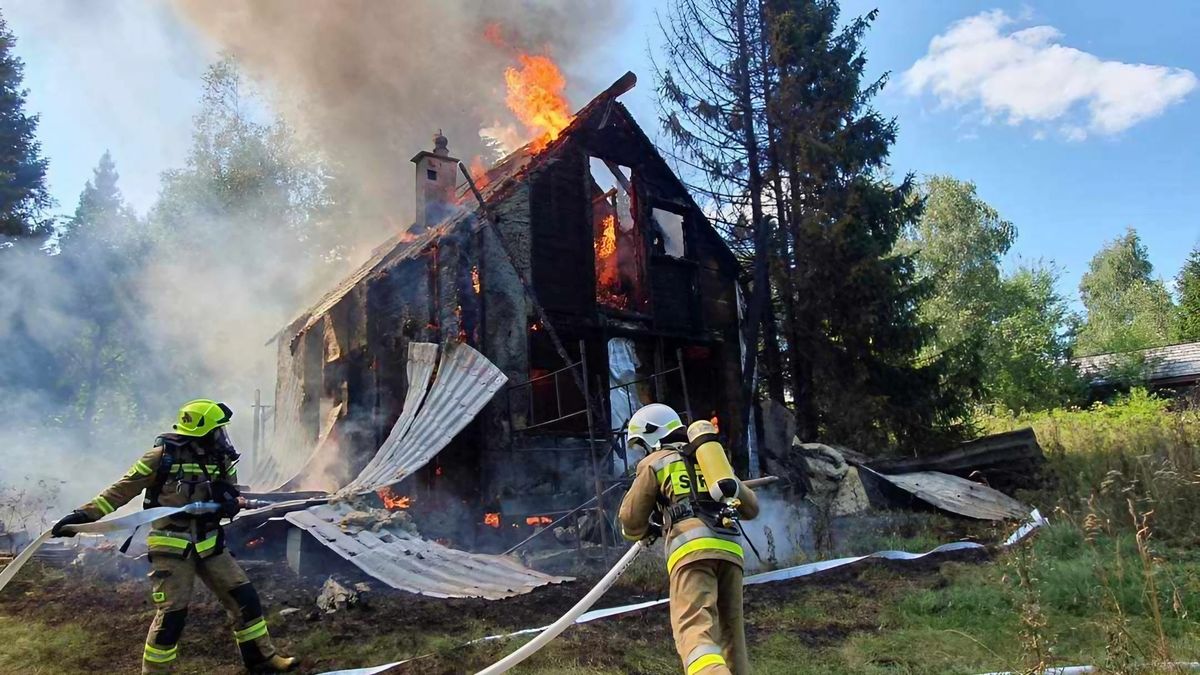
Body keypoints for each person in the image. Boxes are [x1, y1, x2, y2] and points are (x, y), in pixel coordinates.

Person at [51, 399, 298, 673]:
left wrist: (230, 501)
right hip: (172, 547)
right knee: (172, 616)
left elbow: (231, 491)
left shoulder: (221, 458)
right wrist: (83, 516)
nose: (222, 436)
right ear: (201, 431)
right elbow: (120, 490)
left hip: (210, 543)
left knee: (245, 599)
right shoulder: (161, 457)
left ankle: (262, 661)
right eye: (217, 430)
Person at [618, 403, 759, 675]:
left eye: (641, 445)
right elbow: (751, 508)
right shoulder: (709, 460)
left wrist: (644, 531)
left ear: (651, 435)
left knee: (695, 635)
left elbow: (630, 519)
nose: (643, 452)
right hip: (730, 550)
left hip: (691, 551)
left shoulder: (655, 461)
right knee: (732, 642)